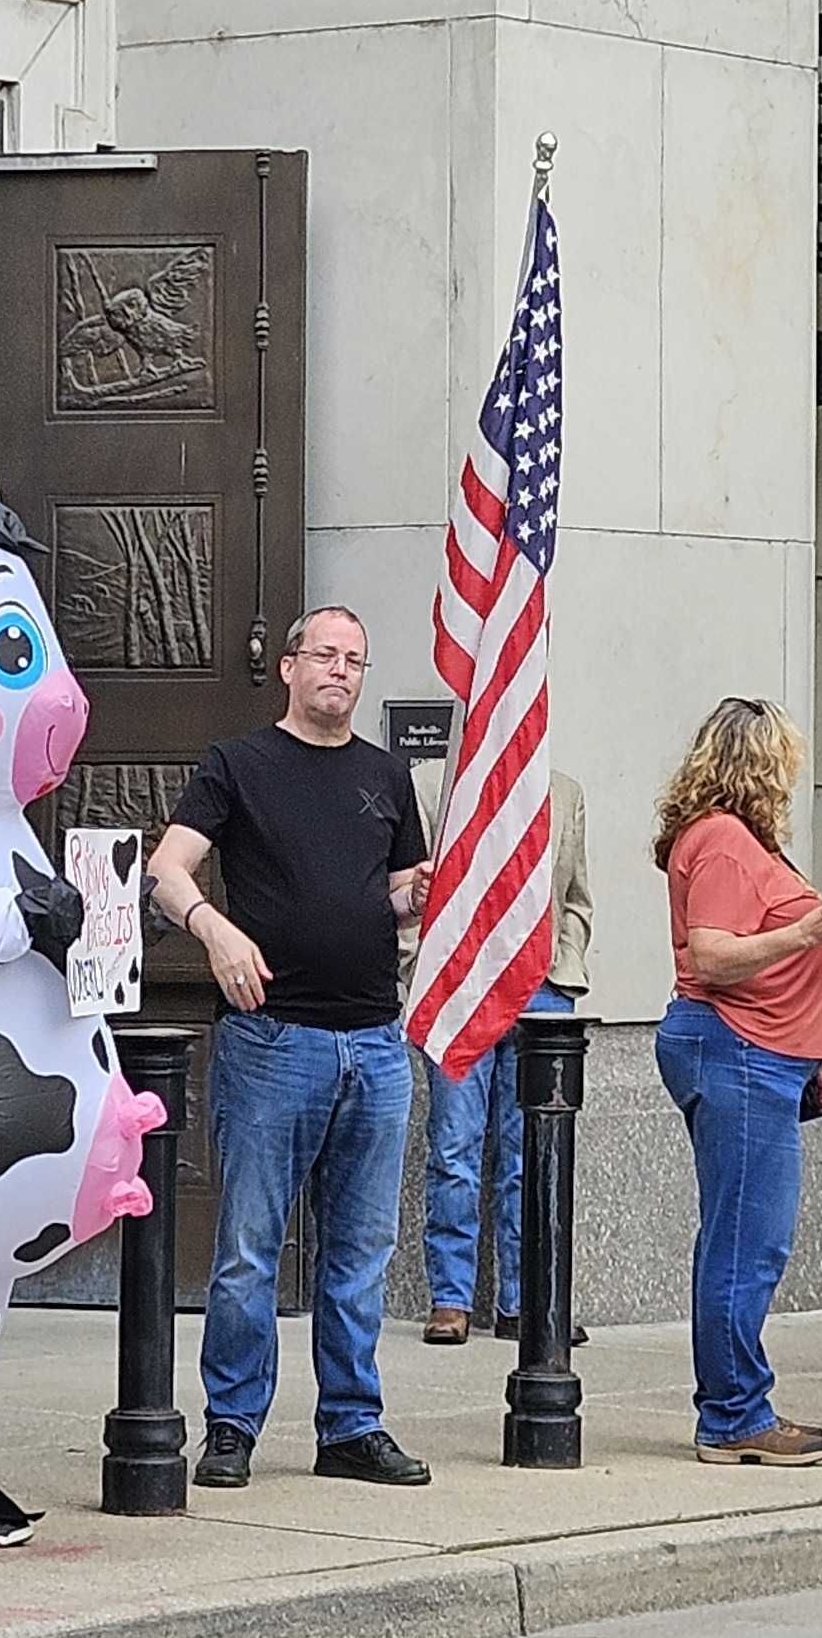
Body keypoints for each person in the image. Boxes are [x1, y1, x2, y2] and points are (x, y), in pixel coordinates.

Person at [148, 607, 436, 1491]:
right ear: (288, 666)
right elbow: (166, 868)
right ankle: (231, 1424)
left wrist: (417, 895)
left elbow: (391, 895)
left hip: (375, 1043)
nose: (341, 672)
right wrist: (214, 932)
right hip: (275, 1042)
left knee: (361, 1250)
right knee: (249, 1247)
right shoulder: (239, 765)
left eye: (356, 660)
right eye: (326, 656)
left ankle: (351, 1425)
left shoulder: (388, 777)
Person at [656, 698, 822, 1463]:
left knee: (743, 1237)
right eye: (784, 759)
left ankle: (734, 1404)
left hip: (757, 1053)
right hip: (740, 1050)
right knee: (746, 1243)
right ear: (759, 762)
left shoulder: (739, 842)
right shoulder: (723, 840)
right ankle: (733, 1415)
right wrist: (807, 931)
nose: (792, 775)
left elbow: (764, 943)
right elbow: (714, 954)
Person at [402, 765, 591, 1347]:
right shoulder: (432, 786)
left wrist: (565, 968)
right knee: (455, 1147)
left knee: (530, 1155)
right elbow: (412, 891)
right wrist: (418, 968)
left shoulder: (564, 791)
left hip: (540, 992)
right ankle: (451, 1299)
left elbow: (578, 899)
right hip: (461, 989)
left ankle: (523, 1300)